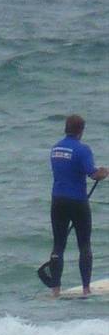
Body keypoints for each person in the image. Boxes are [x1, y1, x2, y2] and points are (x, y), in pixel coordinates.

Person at [46, 114, 107, 298]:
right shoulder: (82, 150)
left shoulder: (55, 148)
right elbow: (93, 174)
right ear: (81, 130)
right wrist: (103, 173)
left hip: (57, 200)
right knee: (84, 245)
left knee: (58, 245)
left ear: (66, 128)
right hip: (77, 201)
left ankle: (55, 290)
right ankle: (86, 289)